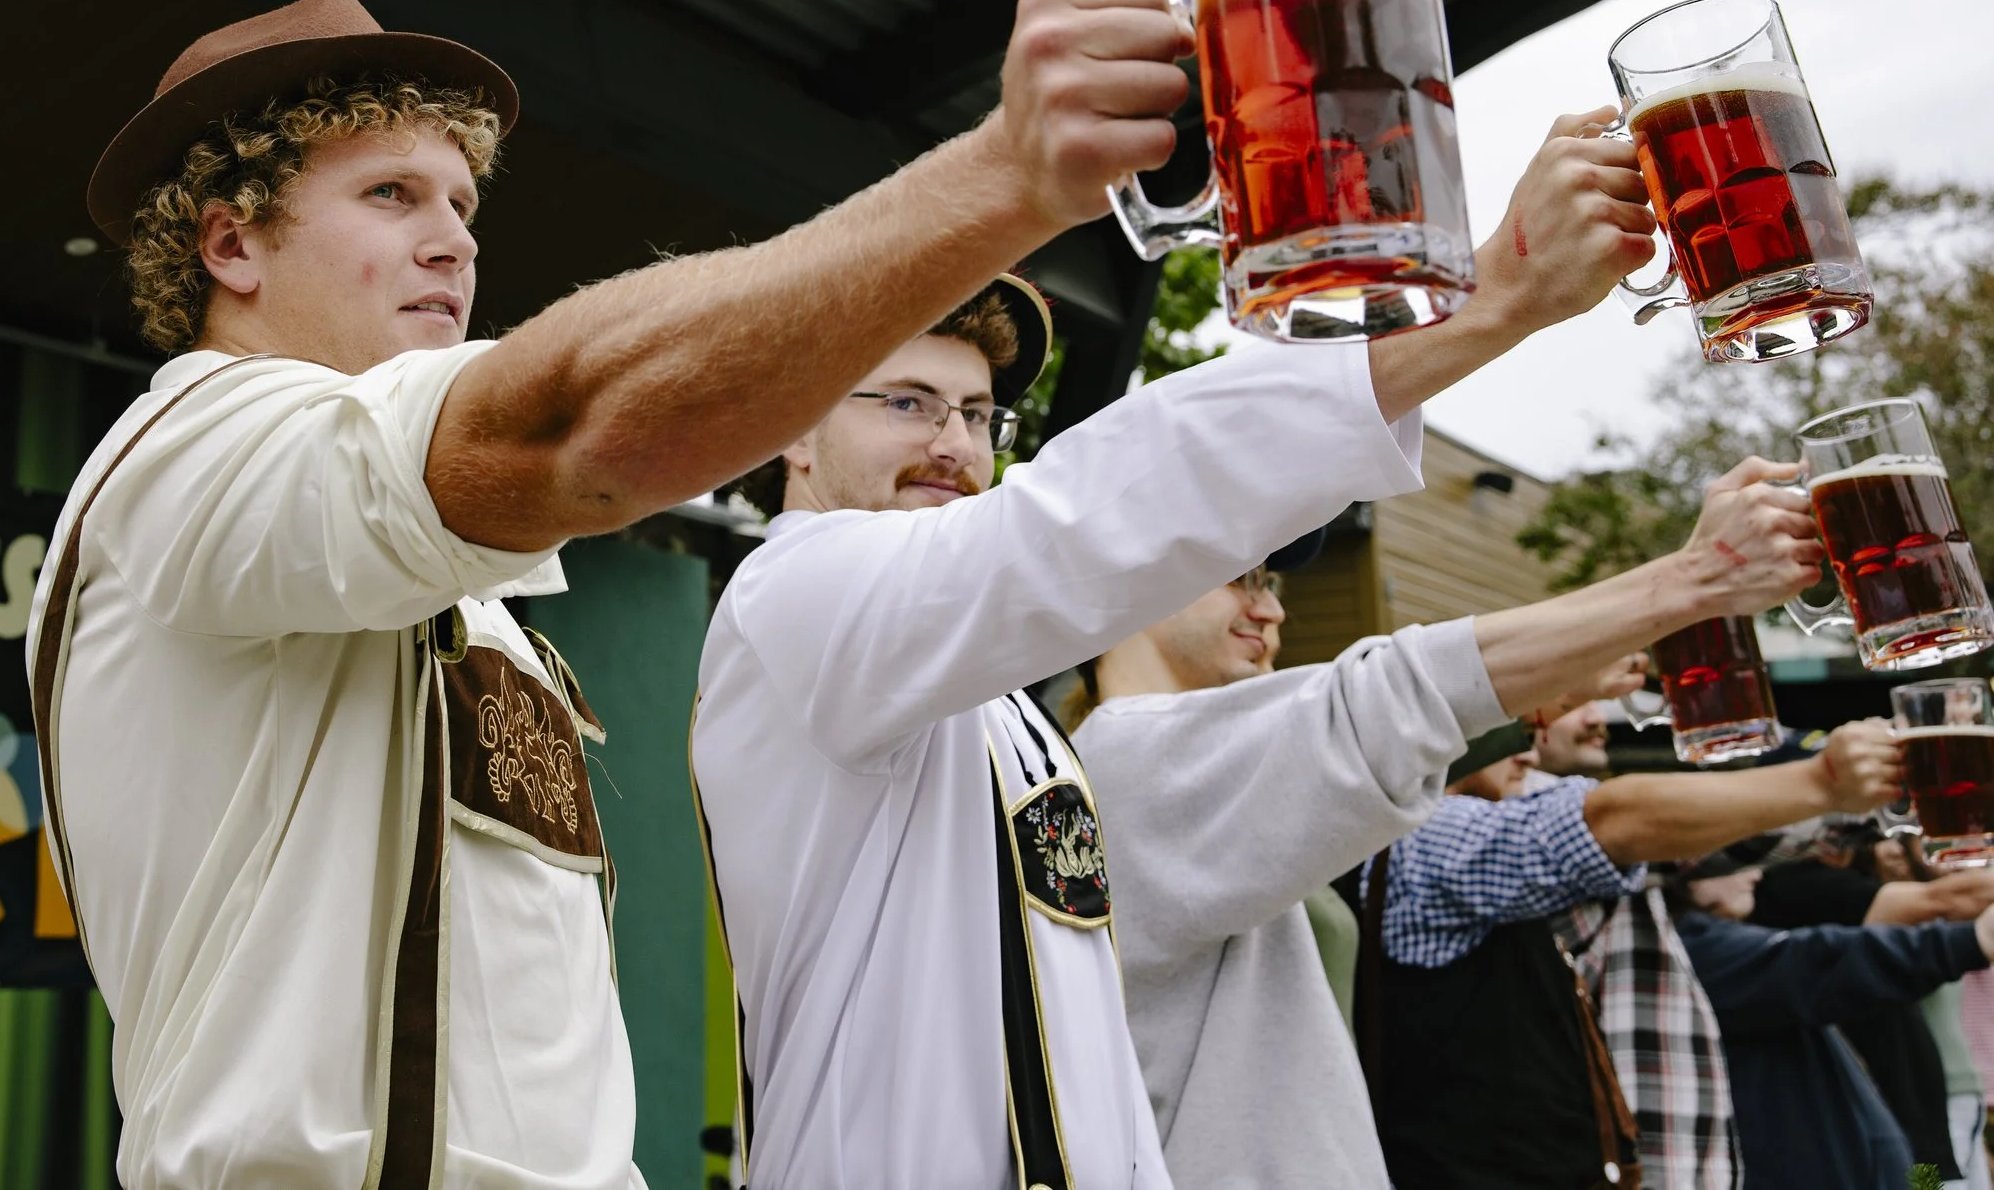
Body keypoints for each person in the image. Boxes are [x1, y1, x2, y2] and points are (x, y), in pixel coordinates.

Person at [26, 0, 1213, 1189]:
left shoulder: (446, 589)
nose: (455, 239)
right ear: (230, 240)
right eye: (391, 193)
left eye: (462, 201)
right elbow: (567, 429)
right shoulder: (188, 457)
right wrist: (999, 179)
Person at [691, 106, 1681, 1189]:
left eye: (979, 415)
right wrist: (1484, 298)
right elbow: (1076, 519)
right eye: (908, 401)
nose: (954, 444)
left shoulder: (1002, 713)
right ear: (789, 423)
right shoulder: (795, 595)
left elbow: (1088, 1057)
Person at [1058, 473, 1851, 1190]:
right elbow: (1382, 704)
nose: (1272, 607)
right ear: (1132, 580)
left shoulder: (1169, 772)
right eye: (1240, 577)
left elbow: (1377, 738)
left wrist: (1525, 706)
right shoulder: (1124, 756)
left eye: (1269, 580)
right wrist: (1695, 575)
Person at [1354, 715, 1901, 1190]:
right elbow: (1623, 826)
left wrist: (1881, 793)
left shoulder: (1510, 827)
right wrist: (1824, 782)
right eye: (1495, 731)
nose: (1528, 745)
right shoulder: (1425, 838)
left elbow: (1681, 843)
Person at [1680, 860, 1994, 1190]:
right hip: (1915, 1119)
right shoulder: (1804, 892)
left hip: (1941, 1107)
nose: (1754, 873)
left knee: (1940, 1169)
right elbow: (1842, 957)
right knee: (1931, 1179)